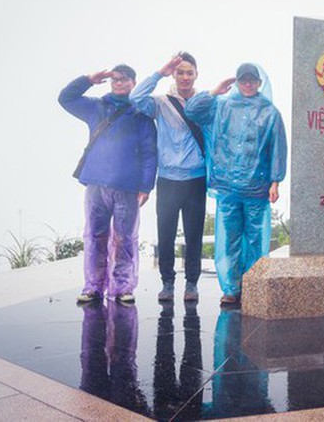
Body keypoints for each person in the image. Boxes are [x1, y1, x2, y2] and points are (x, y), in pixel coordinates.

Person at [185, 63, 287, 305]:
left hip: (257, 186)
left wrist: (276, 181)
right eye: (244, 80)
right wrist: (215, 91)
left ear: (260, 82)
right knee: (228, 239)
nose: (248, 84)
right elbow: (192, 111)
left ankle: (252, 285)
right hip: (227, 186)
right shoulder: (222, 106)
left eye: (252, 80)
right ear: (237, 81)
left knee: (255, 239)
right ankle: (231, 289)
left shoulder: (270, 112)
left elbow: (277, 149)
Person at [59, 65, 157, 304]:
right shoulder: (96, 107)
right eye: (115, 80)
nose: (119, 83)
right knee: (94, 236)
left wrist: (146, 186)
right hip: (96, 184)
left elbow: (149, 152)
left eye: (124, 80)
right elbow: (65, 98)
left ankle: (122, 287)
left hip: (128, 187)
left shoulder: (141, 114)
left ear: (134, 82)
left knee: (125, 238)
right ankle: (92, 286)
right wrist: (89, 79)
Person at [131, 53, 206, 302]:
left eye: (189, 72)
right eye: (180, 72)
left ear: (196, 74)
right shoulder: (161, 103)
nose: (185, 77)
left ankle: (192, 283)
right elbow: (135, 98)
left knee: (194, 234)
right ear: (174, 74)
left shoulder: (204, 103)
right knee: (166, 233)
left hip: (196, 178)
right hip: (168, 179)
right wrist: (159, 73)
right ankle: (167, 282)